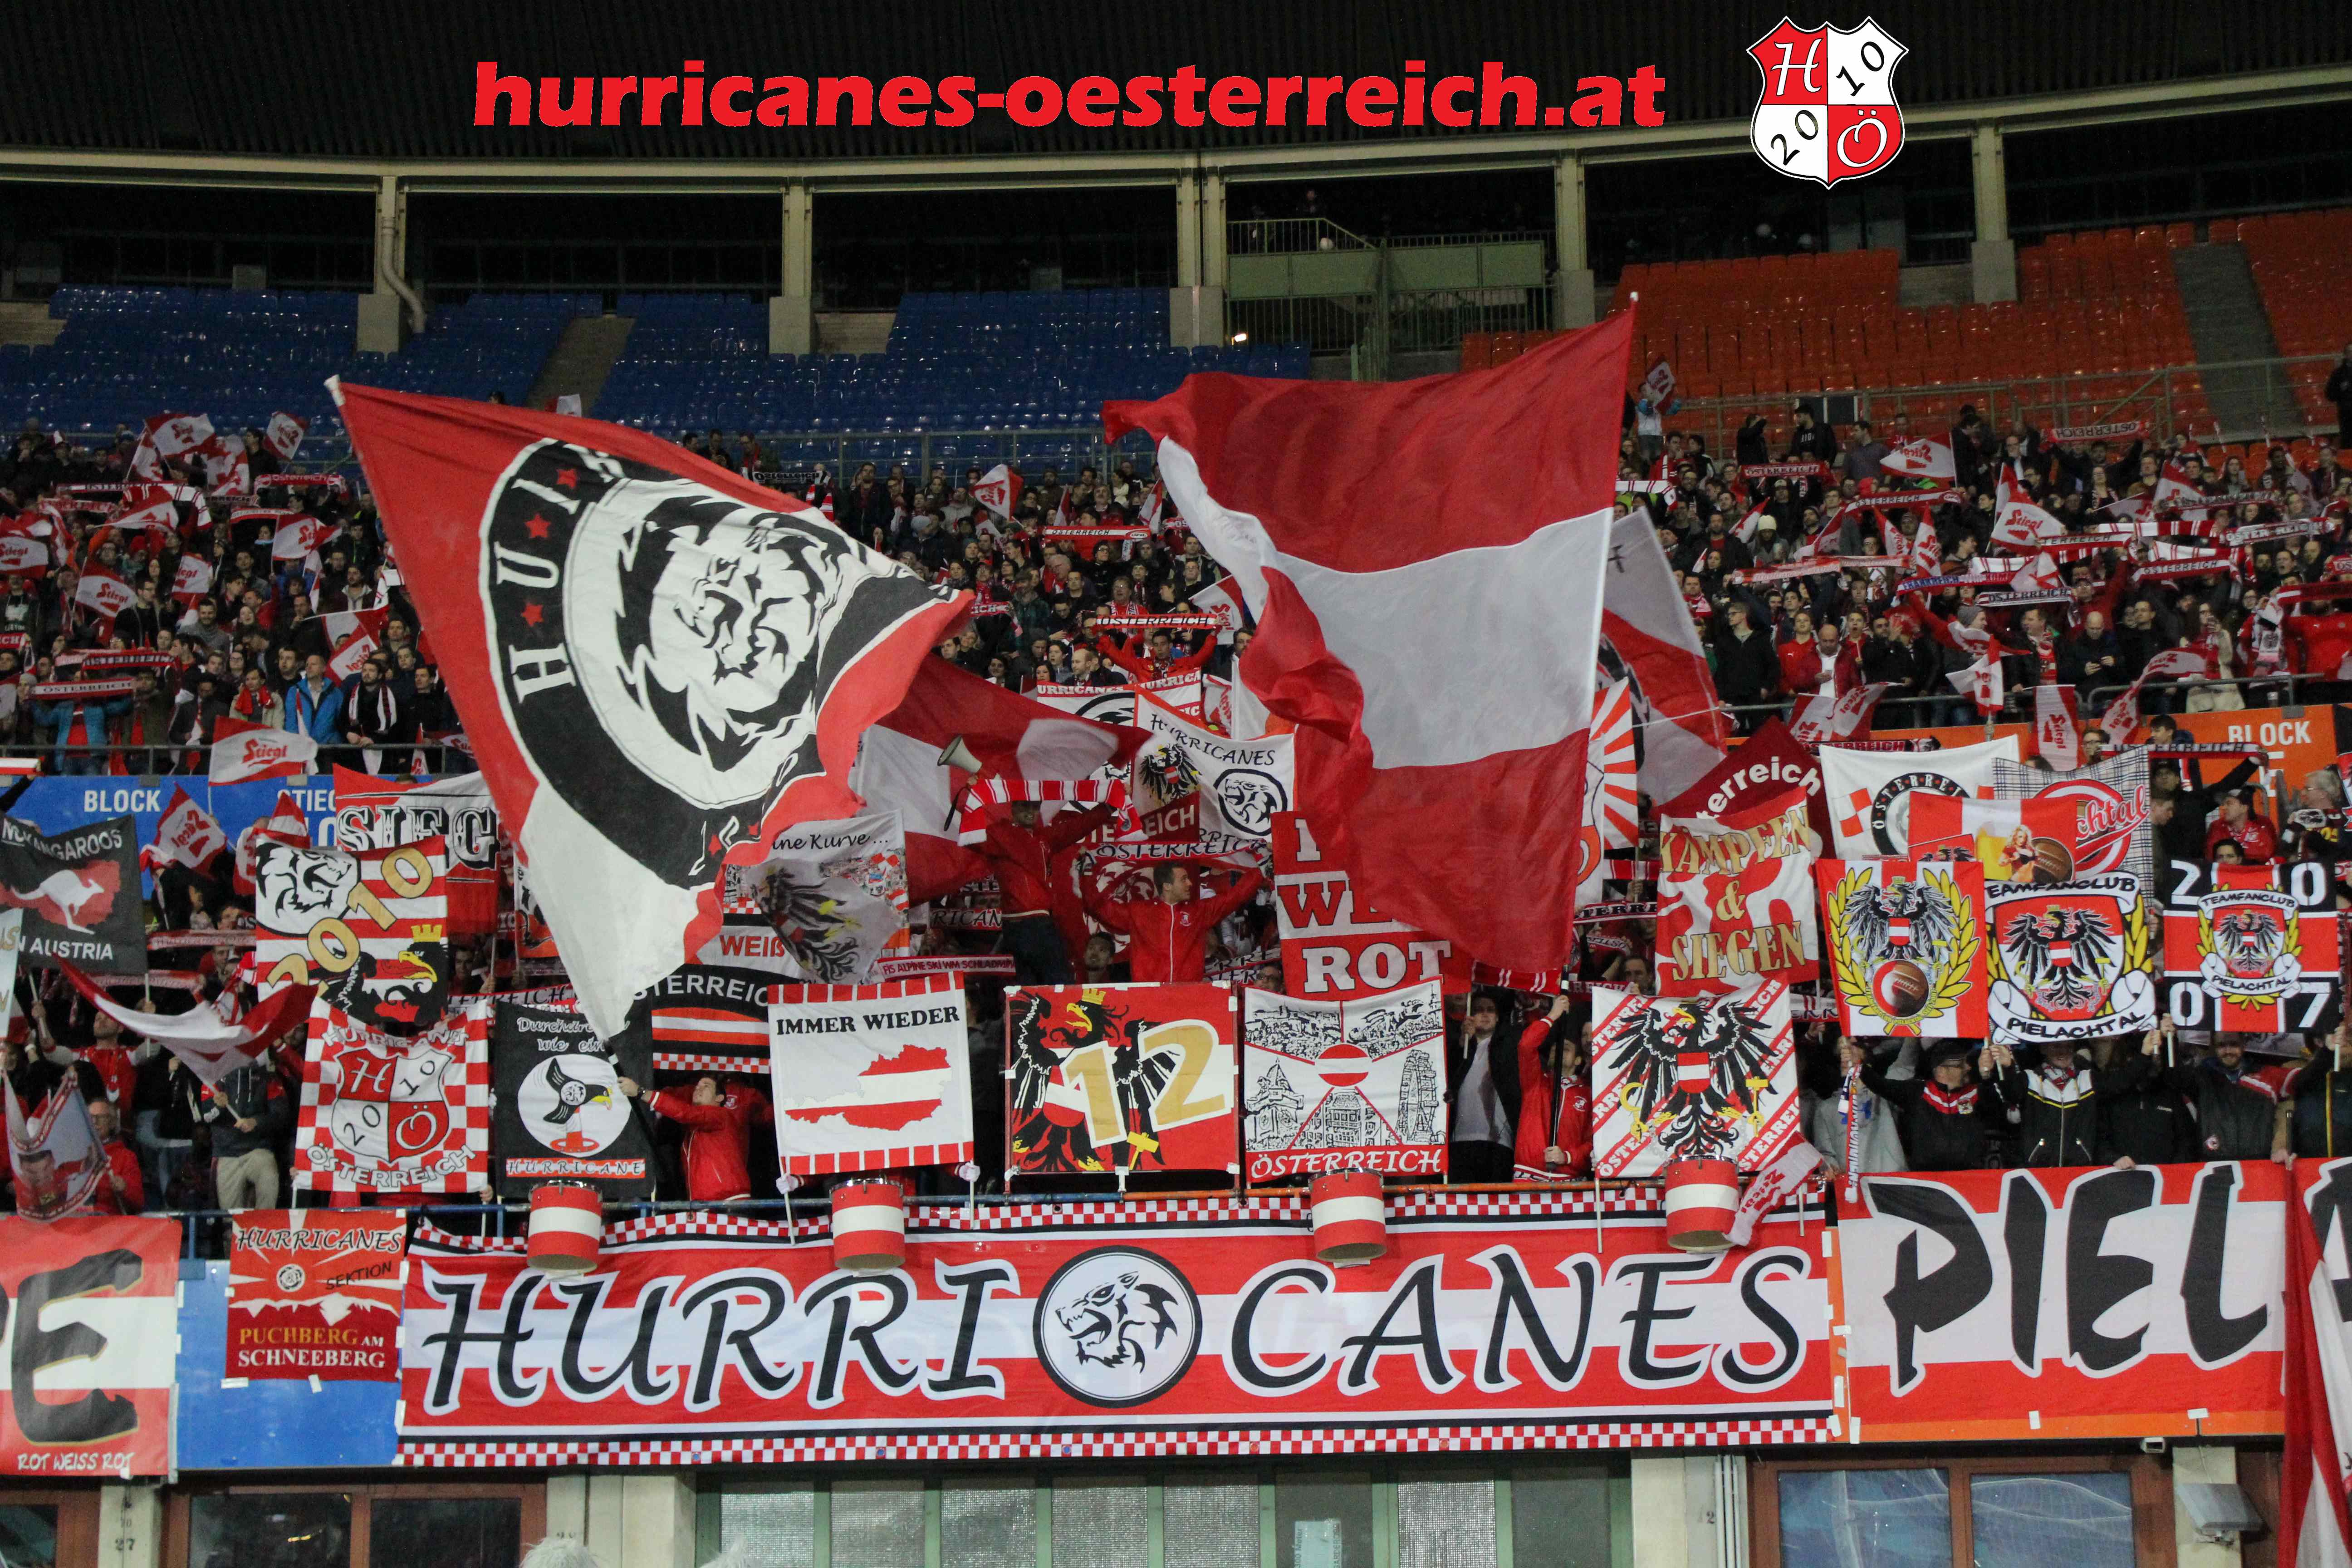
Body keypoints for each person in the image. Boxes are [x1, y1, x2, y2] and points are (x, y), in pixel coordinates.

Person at [977, 799, 1117, 985]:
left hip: (1033, 921)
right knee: (1057, 983)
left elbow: (1078, 826)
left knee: (1034, 987)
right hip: (1025, 924)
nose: (1031, 812)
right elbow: (970, 836)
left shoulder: (1045, 838)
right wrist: (972, 797)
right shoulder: (997, 834)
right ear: (1013, 808)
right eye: (1025, 806)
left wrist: (1109, 806)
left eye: (1036, 807)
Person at [1991, 1029, 2158, 1167]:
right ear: (2043, 1048)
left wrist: (2145, 1053)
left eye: (2068, 1046)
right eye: (2056, 1046)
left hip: (2079, 1171)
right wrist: (2008, 1068)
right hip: (2037, 1171)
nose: (2063, 1052)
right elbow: (2010, 1094)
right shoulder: (2030, 1079)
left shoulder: (2087, 1079)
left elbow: (2122, 1081)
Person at [1082, 861, 1265, 984]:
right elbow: (1099, 907)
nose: (1190, 884)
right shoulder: (1139, 912)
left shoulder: (1199, 911)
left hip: (1187, 996)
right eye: (1184, 879)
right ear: (1167, 886)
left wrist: (1261, 870)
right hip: (1148, 997)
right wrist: (1086, 872)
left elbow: (1235, 897)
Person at [1857, 1040, 1996, 1171]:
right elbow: (1879, 1084)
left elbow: (1999, 1107)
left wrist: (1986, 1076)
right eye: (1961, 1064)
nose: (1968, 1068)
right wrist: (1857, 1063)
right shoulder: (1917, 1092)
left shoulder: (1976, 1093)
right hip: (1926, 1181)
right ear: (1941, 1071)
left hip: (1970, 1179)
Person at [617, 1074, 751, 1201]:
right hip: (707, 1204)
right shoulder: (695, 1129)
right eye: (697, 1086)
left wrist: (641, 1092)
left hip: (728, 1200)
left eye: (706, 1086)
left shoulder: (722, 1115)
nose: (698, 1088)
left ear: (720, 1098)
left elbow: (684, 1112)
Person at [2166, 1036, 2294, 1160]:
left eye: (2234, 1044)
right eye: (2222, 1045)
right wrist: (2168, 1039)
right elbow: (2172, 1075)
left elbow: (2303, 1079)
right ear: (2213, 1046)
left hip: (2259, 1165)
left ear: (2244, 1044)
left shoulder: (2268, 1074)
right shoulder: (2200, 1078)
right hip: (2212, 1164)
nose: (2228, 1051)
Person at [1510, 994, 1591, 1181]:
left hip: (1569, 1178)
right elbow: (1526, 1046)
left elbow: (1592, 1142)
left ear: (1578, 1060)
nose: (1559, 1051)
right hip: (1530, 1174)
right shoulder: (1536, 1081)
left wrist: (1567, 1157)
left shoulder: (1588, 1093)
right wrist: (1552, 1016)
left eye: (1566, 1049)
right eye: (1555, 1049)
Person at [1446, 993, 1519, 1183]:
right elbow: (1448, 1079)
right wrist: (1463, 1041)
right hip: (1459, 1141)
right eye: (1478, 1010)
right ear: (1469, 1017)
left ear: (1498, 1017)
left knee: (1494, 1199)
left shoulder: (1510, 1045)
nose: (1485, 1014)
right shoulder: (1459, 1046)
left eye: (1490, 1010)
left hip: (1499, 1142)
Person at [202, 1055, 290, 1209]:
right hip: (227, 1153)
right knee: (230, 1214)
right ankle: (234, 1226)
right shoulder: (214, 1078)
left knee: (269, 1179)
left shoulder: (268, 1077)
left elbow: (281, 1115)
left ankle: (265, 1222)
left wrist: (256, 1122)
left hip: (258, 1149)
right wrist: (218, 1108)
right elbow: (206, 1117)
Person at [84, 1095, 144, 1215]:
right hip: (75, 1221)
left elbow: (139, 1202)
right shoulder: (72, 1155)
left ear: (111, 1123)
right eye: (90, 1118)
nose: (94, 1122)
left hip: (108, 1221)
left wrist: (125, 1187)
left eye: (100, 1117)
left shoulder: (126, 1157)